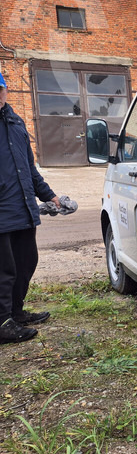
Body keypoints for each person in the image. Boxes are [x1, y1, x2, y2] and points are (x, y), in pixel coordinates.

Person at [0, 69, 60, 345]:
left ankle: (15, 313)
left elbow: (30, 169)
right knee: (4, 270)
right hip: (2, 212)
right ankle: (2, 323)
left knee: (27, 262)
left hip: (23, 208)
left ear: (5, 90)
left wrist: (50, 196)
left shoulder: (16, 122)